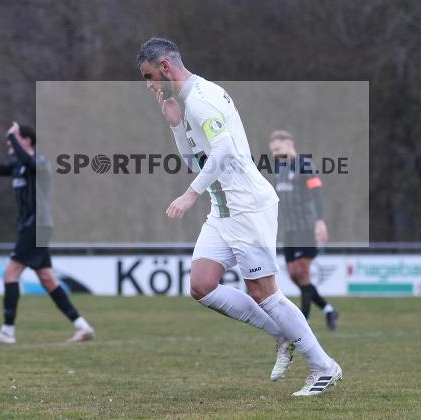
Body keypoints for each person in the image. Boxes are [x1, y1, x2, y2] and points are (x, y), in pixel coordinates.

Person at [137, 37, 342, 396]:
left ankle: (324, 366)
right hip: (223, 210)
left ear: (165, 67)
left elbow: (225, 151)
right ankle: (281, 334)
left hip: (247, 206)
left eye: (148, 76)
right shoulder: (184, 104)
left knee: (264, 293)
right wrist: (173, 125)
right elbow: (195, 161)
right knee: (201, 285)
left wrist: (190, 194)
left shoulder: (201, 100)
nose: (148, 84)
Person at [0, 118, 94, 344]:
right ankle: (82, 326)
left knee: (9, 274)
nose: (9, 143)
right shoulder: (18, 167)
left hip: (36, 226)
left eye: (15, 137)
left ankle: (7, 331)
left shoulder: (40, 162)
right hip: (33, 227)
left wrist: (11, 135)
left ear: (26, 140)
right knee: (48, 279)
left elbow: (30, 163)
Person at [268, 130, 338, 329]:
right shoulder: (279, 169)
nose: (275, 153)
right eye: (273, 151)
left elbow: (317, 194)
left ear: (289, 144)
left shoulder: (305, 165)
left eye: (278, 149)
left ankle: (303, 321)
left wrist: (320, 221)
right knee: (293, 274)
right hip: (289, 230)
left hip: (306, 227)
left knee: (303, 271)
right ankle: (328, 309)